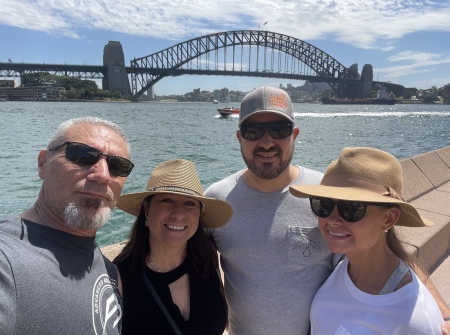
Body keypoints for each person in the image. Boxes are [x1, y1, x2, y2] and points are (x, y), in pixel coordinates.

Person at [205, 85, 450, 335]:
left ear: (295, 135)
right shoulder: (216, 199)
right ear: (239, 137)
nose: (266, 142)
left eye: (279, 130)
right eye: (253, 131)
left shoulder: (325, 195)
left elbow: (391, 251)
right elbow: (193, 264)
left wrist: (444, 315)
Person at [0, 116, 134, 334]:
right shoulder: (6, 257)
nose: (102, 176)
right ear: (43, 163)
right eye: (82, 156)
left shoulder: (110, 272)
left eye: (117, 166)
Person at [289, 146, 444, 334]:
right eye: (324, 204)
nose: (332, 219)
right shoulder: (343, 263)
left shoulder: (413, 320)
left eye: (351, 208)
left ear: (388, 219)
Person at [113, 159, 233, 335]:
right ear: (147, 210)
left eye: (190, 203)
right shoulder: (118, 278)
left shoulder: (206, 259)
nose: (178, 213)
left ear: (199, 214)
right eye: (167, 200)